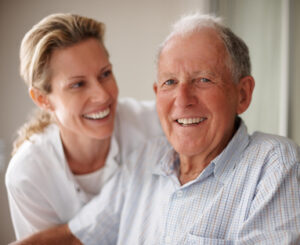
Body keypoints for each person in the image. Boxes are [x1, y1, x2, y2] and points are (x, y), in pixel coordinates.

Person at [12, 13, 300, 245]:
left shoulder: (272, 164)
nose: (182, 100)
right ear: (156, 93)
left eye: (203, 79)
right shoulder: (145, 157)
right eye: (169, 82)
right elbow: (77, 235)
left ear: (242, 94)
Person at [5, 13, 162, 240]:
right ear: (42, 99)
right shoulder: (28, 175)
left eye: (105, 74)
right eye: (78, 84)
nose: (102, 95)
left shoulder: (155, 125)